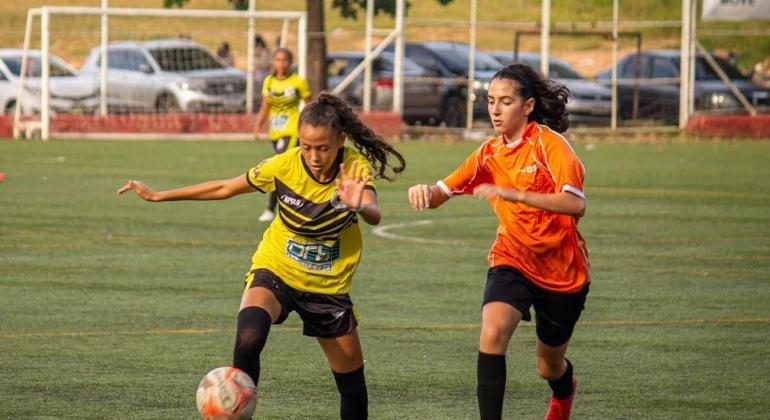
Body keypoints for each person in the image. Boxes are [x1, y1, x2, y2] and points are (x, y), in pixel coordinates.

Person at [117, 92, 406, 420]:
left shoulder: (353, 167)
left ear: (340, 139)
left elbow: (374, 213)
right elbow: (225, 187)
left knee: (352, 386)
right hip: (276, 269)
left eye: (323, 148)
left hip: (328, 287)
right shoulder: (283, 165)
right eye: (306, 146)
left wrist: (360, 205)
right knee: (249, 336)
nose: (313, 156)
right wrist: (158, 195)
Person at [407, 64, 589, 420]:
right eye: (491, 101)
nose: (494, 109)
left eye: (505, 101)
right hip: (512, 258)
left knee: (548, 366)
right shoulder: (488, 154)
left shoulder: (551, 146)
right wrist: (422, 191)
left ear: (528, 105)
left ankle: (564, 393)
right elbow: (441, 192)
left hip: (562, 270)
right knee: (492, 332)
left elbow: (575, 203)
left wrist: (515, 194)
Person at [254, 47, 312, 222]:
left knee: (279, 167)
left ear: (290, 62)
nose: (281, 63)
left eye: (285, 60)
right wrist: (258, 125)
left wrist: (308, 127)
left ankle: (271, 209)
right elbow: (266, 106)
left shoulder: (298, 82)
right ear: (273, 62)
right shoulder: (269, 81)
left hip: (292, 131)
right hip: (275, 133)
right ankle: (300, 204)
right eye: (278, 60)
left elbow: (309, 106)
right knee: (290, 170)